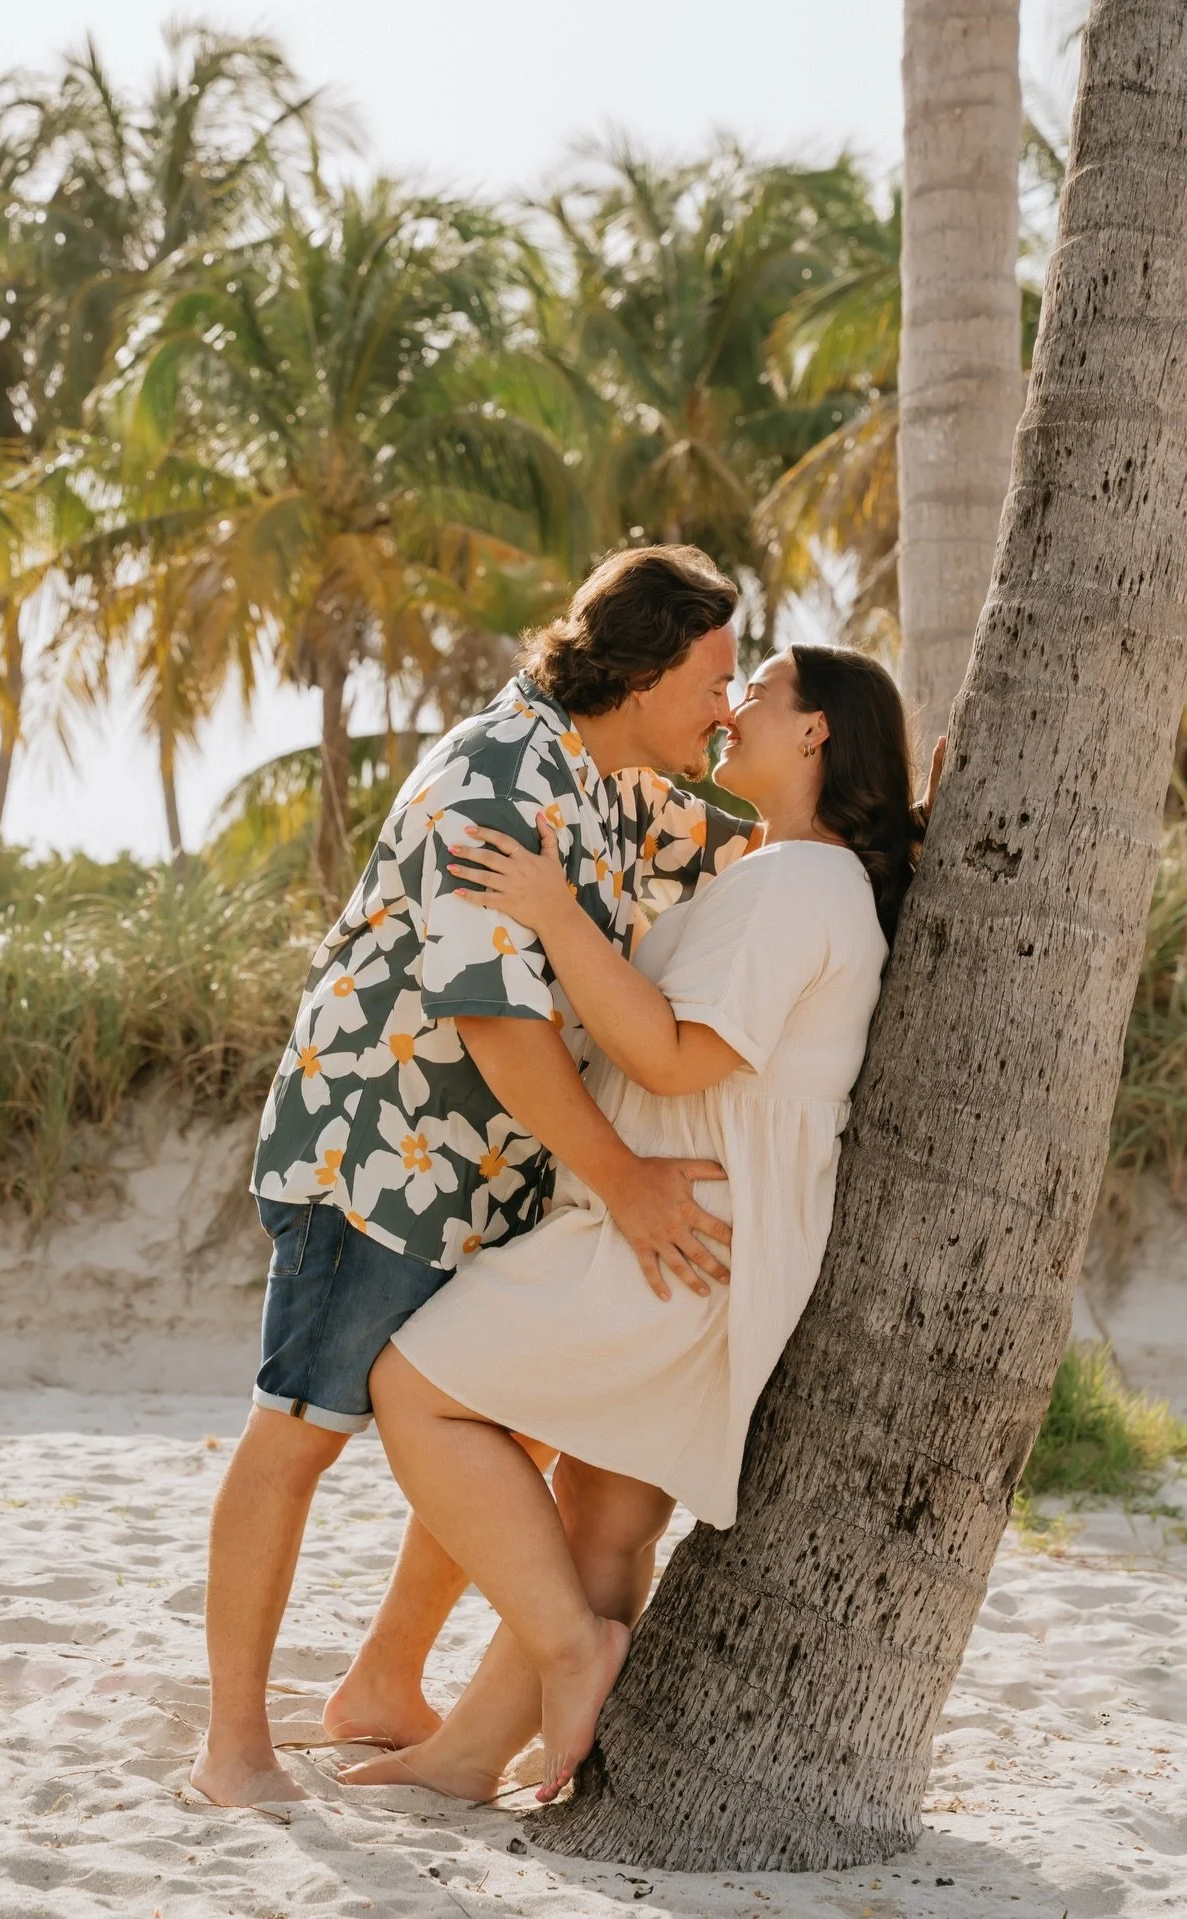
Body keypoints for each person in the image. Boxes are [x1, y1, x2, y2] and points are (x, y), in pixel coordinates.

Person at [190, 545, 766, 1809]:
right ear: (638, 666)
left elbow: (763, 836)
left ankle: (382, 1682)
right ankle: (232, 1742)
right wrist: (623, 1183)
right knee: (300, 1432)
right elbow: (498, 1024)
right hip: (382, 1158)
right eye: (712, 679)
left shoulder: (617, 780)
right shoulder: (500, 777)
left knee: (493, 1418)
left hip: (496, 1169)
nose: (725, 708)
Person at [347, 642, 923, 1804]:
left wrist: (555, 911)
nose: (726, 711)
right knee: (604, 1509)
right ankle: (471, 1753)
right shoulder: (782, 871)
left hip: (683, 1226)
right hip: (700, 1223)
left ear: (814, 732)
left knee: (417, 1387)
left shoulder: (803, 884)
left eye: (752, 693)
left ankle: (575, 1646)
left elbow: (668, 1054)